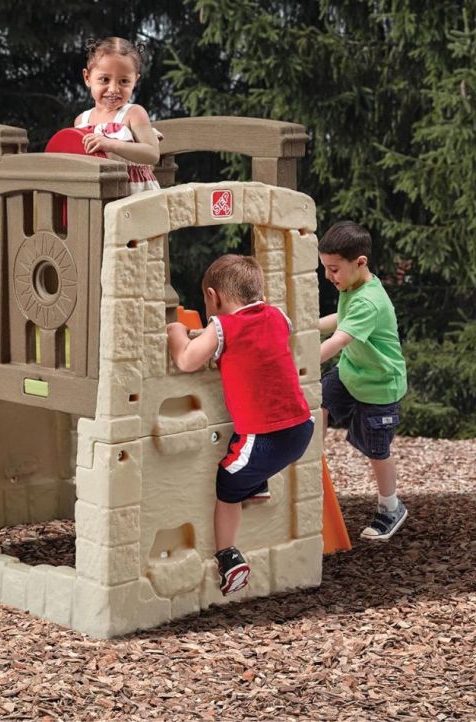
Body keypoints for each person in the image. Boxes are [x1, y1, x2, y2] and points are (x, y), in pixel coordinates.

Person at [167, 255, 314, 595]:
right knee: (248, 452)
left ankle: (228, 556)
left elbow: (187, 359)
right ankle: (258, 484)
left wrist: (176, 332)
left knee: (227, 483)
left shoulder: (222, 327)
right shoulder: (278, 317)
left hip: (265, 437)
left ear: (213, 296)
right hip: (301, 428)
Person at [318, 221, 408, 541]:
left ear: (360, 263)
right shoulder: (353, 286)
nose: (329, 277)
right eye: (326, 268)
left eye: (334, 269)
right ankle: (310, 464)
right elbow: (341, 320)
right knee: (317, 401)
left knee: (376, 449)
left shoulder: (369, 300)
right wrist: (308, 326)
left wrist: (300, 360)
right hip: (351, 372)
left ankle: (390, 507)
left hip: (379, 386)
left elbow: (340, 339)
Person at [75, 36, 161, 194]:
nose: (114, 89)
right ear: (87, 78)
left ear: (135, 80)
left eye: (124, 81)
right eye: (105, 79)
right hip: (94, 191)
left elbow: (152, 154)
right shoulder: (82, 120)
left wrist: (111, 144)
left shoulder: (133, 113)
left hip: (132, 193)